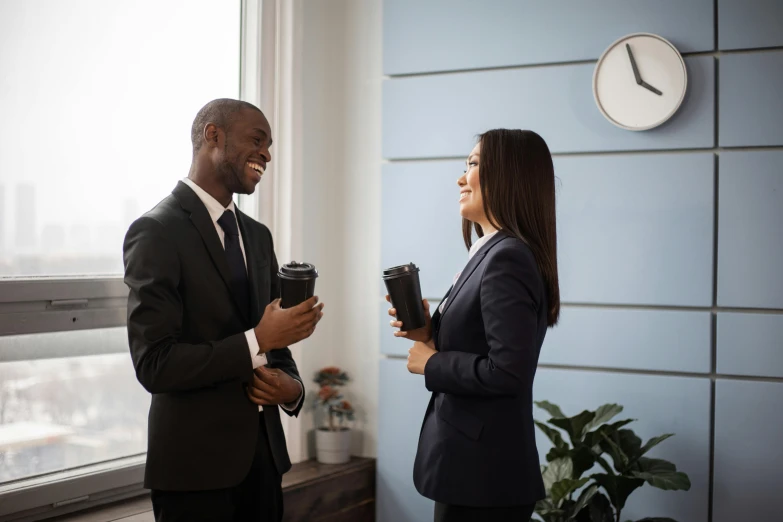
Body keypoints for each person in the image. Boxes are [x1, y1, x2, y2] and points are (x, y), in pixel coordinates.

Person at [123, 98, 324, 522]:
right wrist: (258, 340)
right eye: (257, 140)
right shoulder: (156, 231)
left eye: (270, 145)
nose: (267, 154)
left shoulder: (258, 236)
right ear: (212, 135)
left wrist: (292, 389)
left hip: (265, 466)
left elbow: (276, 346)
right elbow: (154, 365)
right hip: (193, 476)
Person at [387, 129, 560, 522]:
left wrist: (431, 363)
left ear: (509, 174)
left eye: (474, 164)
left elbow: (507, 372)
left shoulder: (506, 257)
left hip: (484, 477)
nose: (461, 177)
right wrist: (429, 335)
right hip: (474, 472)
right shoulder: (489, 252)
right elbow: (484, 347)